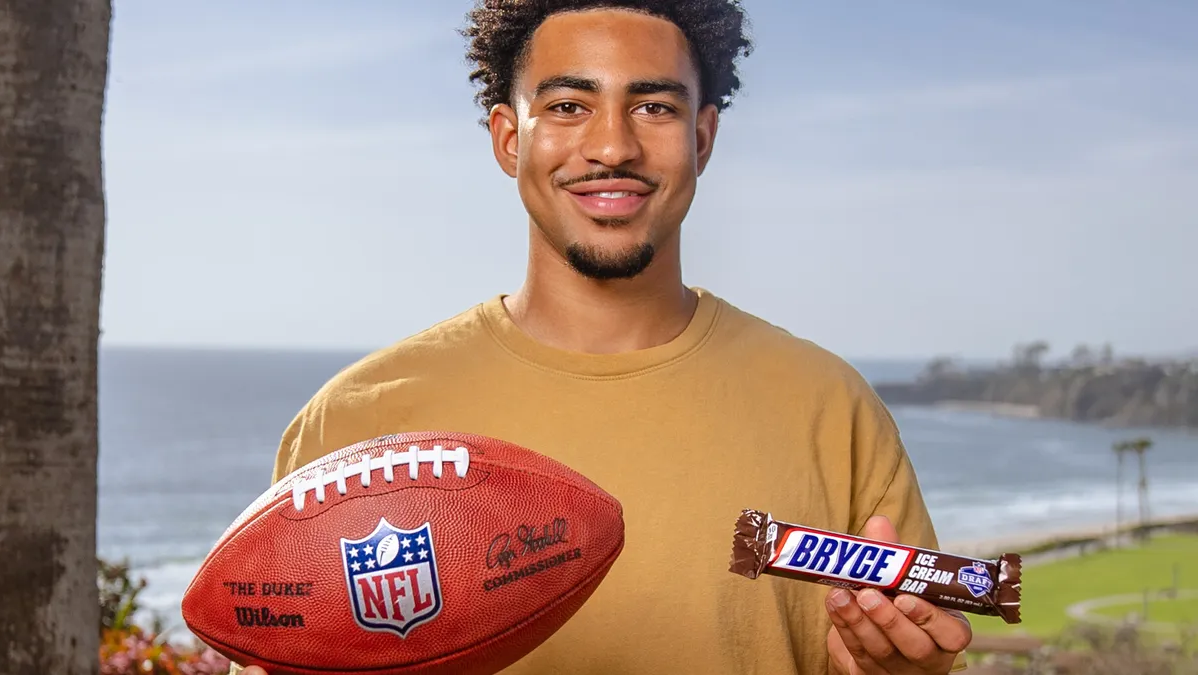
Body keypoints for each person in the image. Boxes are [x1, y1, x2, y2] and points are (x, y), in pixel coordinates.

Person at [235, 1, 973, 673]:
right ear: (507, 138)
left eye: (652, 105)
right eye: (567, 104)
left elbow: (901, 645)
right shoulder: (358, 424)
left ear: (703, 137)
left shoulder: (828, 405)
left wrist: (897, 664)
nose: (612, 145)